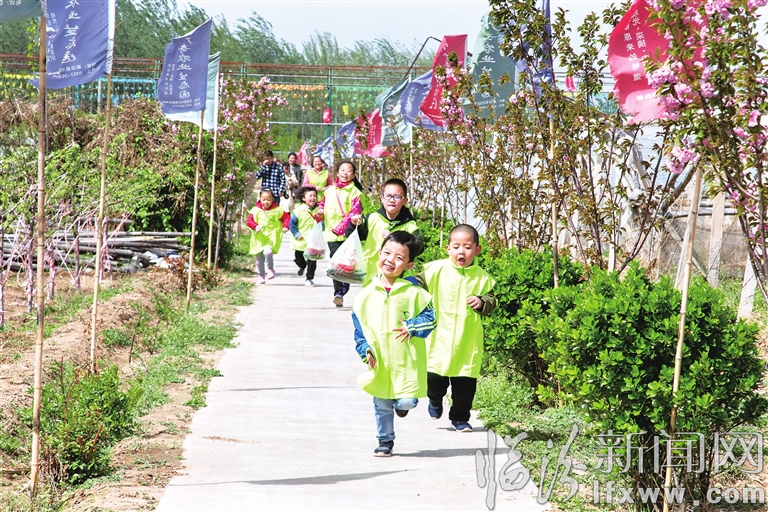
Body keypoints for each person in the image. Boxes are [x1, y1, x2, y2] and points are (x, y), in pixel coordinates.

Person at [352, 231, 435, 457]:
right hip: (380, 362)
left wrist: (412, 326)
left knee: (407, 401)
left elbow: (431, 319)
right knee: (381, 405)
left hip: (406, 362)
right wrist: (365, 352)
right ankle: (385, 441)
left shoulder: (415, 293)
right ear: (379, 254)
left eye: (399, 258)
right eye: (387, 253)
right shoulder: (366, 294)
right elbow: (359, 331)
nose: (391, 260)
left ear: (409, 265)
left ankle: (401, 407)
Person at [415, 224, 496, 432]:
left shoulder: (483, 277)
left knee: (465, 384)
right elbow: (414, 285)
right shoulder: (435, 269)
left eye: (468, 247)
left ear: (477, 250)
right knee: (434, 376)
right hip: (437, 337)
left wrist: (481, 302)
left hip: (466, 340)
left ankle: (460, 417)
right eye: (457, 246)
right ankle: (434, 399)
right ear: (448, 249)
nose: (462, 251)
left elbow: (490, 301)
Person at [348, 178, 420, 286]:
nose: (392, 200)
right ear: (382, 198)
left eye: (397, 197)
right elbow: (352, 237)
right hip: (371, 277)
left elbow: (419, 246)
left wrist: (396, 239)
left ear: (405, 201)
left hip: (397, 279)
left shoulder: (409, 224)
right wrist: (353, 225)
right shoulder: (371, 218)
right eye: (388, 196)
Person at [317, 159, 362, 307]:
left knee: (347, 263)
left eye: (348, 171)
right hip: (331, 233)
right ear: (337, 173)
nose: (345, 173)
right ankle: (338, 292)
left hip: (347, 234)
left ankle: (344, 287)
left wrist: (354, 219)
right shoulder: (329, 190)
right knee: (336, 261)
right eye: (342, 170)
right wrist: (320, 211)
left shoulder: (355, 192)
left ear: (353, 175)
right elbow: (322, 204)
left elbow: (356, 210)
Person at [247, 189, 290, 285]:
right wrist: (255, 226)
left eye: (268, 200)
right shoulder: (256, 210)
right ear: (260, 199)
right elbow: (249, 221)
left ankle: (270, 269)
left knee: (267, 252)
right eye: (264, 200)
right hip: (259, 238)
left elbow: (286, 217)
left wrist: (285, 226)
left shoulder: (277, 210)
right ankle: (261, 275)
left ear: (272, 199)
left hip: (271, 237)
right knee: (259, 260)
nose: (266, 202)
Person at [289, 186, 322, 287]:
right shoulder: (298, 210)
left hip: (314, 241)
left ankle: (309, 278)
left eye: (314, 196)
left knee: (312, 260)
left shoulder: (319, 210)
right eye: (310, 196)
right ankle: (302, 266)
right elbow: (292, 224)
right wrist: (297, 234)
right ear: (304, 198)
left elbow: (323, 222)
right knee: (298, 258)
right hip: (301, 240)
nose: (313, 198)